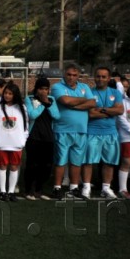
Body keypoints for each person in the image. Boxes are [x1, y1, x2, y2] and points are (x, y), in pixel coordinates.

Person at [51, 63, 96, 199]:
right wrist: (83, 101)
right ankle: (57, 188)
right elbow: (65, 101)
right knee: (61, 160)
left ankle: (74, 187)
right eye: (69, 74)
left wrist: (74, 104)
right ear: (64, 74)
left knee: (76, 161)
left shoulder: (84, 87)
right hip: (62, 129)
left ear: (79, 76)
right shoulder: (57, 87)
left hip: (81, 130)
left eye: (74, 75)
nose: (71, 77)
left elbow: (93, 103)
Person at [81, 67, 124, 199]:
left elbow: (120, 110)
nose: (100, 79)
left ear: (109, 78)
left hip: (110, 132)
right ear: (94, 77)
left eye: (103, 77)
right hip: (92, 131)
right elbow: (90, 113)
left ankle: (106, 188)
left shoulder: (115, 93)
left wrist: (102, 110)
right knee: (88, 161)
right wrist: (110, 111)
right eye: (98, 76)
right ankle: (86, 187)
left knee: (109, 162)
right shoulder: (88, 92)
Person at [24, 78, 60, 200]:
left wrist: (48, 104)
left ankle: (39, 189)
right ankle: (29, 190)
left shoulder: (52, 100)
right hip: (33, 137)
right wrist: (43, 105)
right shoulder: (29, 99)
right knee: (32, 165)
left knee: (46, 166)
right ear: (36, 89)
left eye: (46, 89)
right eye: (41, 89)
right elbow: (32, 114)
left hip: (48, 138)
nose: (44, 91)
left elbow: (56, 115)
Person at [0, 82, 28, 201]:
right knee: (2, 167)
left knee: (14, 167)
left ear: (15, 95)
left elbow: (26, 126)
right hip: (1, 143)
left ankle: (11, 191)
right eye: (6, 93)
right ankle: (3, 191)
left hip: (16, 144)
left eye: (10, 94)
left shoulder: (21, 107)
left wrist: (23, 140)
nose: (7, 96)